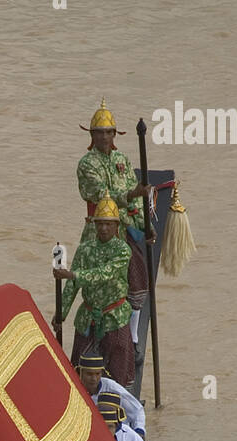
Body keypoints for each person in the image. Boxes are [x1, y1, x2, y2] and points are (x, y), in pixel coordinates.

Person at [74, 101, 150, 350]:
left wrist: (143, 224)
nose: (104, 137)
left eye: (108, 132)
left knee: (137, 275)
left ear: (115, 134)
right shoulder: (87, 164)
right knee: (85, 275)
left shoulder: (122, 159)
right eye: (99, 132)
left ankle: (132, 333)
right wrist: (129, 194)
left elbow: (135, 194)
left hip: (125, 221)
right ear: (91, 135)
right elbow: (101, 193)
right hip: (98, 224)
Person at [54, 195, 135, 386]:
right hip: (88, 315)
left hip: (115, 316)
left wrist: (74, 275)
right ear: (94, 225)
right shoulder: (85, 248)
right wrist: (61, 314)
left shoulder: (122, 250)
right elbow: (72, 287)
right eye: (100, 224)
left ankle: (117, 403)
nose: (104, 228)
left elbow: (106, 273)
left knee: (118, 370)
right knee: (80, 367)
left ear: (116, 226)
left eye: (108, 224)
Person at [77, 350, 146, 435]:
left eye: (97, 374)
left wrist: (139, 431)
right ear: (81, 372)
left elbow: (137, 410)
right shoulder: (73, 390)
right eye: (89, 374)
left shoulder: (112, 388)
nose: (94, 379)